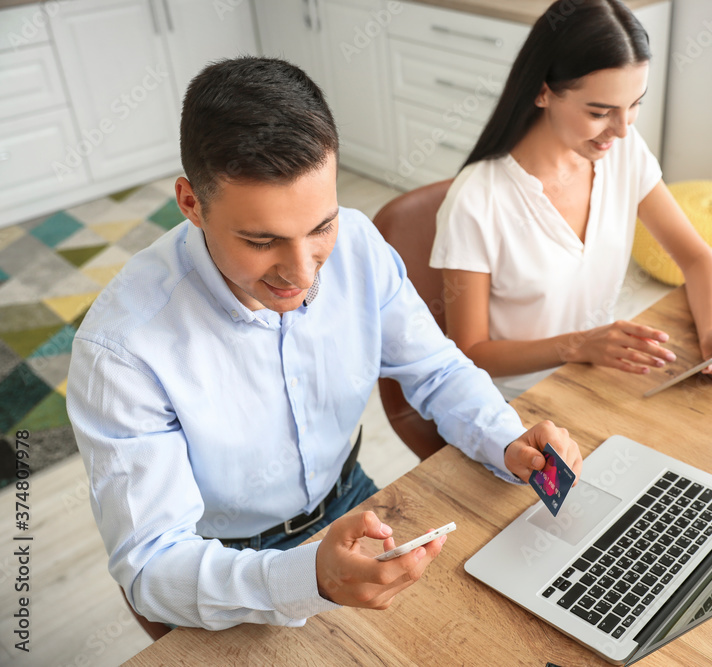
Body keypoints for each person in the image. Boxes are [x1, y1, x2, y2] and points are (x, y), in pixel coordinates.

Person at [66, 57, 582, 631]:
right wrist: (306, 578)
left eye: (320, 228)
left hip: (353, 499)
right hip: (223, 558)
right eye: (262, 241)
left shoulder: (359, 242)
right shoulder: (122, 351)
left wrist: (506, 440)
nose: (303, 273)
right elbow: (151, 568)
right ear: (191, 203)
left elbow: (434, 371)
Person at [430, 0, 712, 401]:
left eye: (634, 105)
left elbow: (696, 258)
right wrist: (577, 345)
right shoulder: (477, 200)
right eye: (600, 112)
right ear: (542, 92)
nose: (621, 130)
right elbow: (470, 353)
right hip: (515, 404)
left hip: (595, 379)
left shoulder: (623, 153)